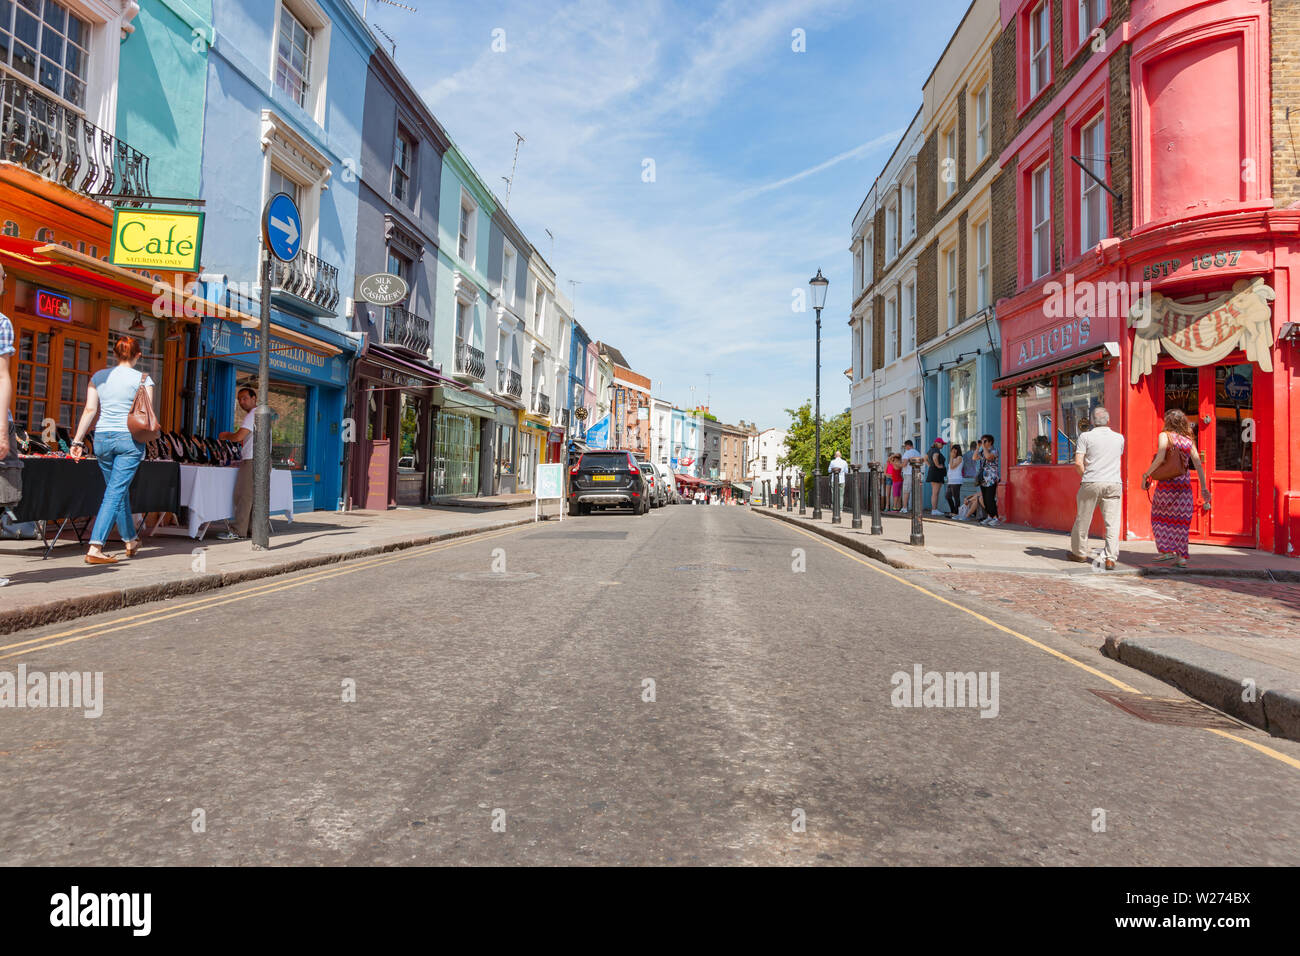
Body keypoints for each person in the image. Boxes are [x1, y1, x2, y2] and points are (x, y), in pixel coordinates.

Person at [69, 337, 154, 564]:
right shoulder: (143, 379)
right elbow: (146, 415)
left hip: (102, 438)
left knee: (118, 490)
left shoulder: (99, 377)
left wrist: (77, 441)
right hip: (129, 440)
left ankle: (130, 539)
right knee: (115, 492)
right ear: (138, 355)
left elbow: (89, 410)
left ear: (115, 354)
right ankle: (96, 546)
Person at [1142, 408, 1211, 569]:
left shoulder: (1165, 436)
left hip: (1167, 485)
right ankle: (1181, 558)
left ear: (1168, 422)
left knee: (1159, 517)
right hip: (1184, 486)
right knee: (1181, 521)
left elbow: (1160, 458)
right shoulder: (1188, 440)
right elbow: (1198, 464)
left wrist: (1147, 474)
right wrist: (1203, 487)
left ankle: (1166, 550)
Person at [1068, 406, 1125, 569]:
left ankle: (1079, 553)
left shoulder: (1085, 436)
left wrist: (1085, 476)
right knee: (1112, 522)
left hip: (1091, 480)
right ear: (1108, 421)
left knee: (1083, 519)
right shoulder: (1119, 438)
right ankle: (1110, 558)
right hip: (1114, 482)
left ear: (1092, 421)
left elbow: (1078, 462)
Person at [218, 386, 257, 539]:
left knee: (244, 496)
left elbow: (239, 436)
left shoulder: (253, 415)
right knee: (255, 498)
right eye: (239, 399)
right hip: (261, 459)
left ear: (254, 399)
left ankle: (237, 531)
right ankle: (253, 530)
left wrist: (226, 435)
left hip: (252, 459)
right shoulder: (262, 413)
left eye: (245, 398)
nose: (241, 402)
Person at [977, 434, 1000, 526]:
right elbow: (974, 457)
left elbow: (988, 457)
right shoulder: (982, 451)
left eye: (985, 441)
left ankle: (995, 517)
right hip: (983, 478)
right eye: (982, 441)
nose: (983, 443)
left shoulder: (994, 451)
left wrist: (983, 447)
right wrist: (977, 448)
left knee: (990, 499)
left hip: (991, 478)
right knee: (985, 499)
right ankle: (989, 516)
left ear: (990, 442)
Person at [899, 440, 923, 511]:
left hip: (908, 474)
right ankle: (916, 508)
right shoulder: (918, 453)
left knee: (906, 491)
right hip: (917, 474)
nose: (905, 448)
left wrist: (897, 465)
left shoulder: (907, 452)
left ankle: (905, 507)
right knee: (916, 491)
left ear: (907, 446)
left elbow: (904, 464)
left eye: (905, 446)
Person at [926, 437, 947, 516]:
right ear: (937, 443)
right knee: (935, 492)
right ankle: (934, 510)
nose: (942, 445)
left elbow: (925, 458)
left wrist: (930, 466)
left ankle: (935, 509)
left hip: (933, 472)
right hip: (936, 473)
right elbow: (935, 457)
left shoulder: (931, 450)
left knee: (935, 492)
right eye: (941, 444)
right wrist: (937, 465)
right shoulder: (936, 450)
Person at [945, 443, 965, 515]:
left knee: (956, 497)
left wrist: (951, 457)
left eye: (954, 450)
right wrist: (951, 457)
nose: (953, 452)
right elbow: (950, 467)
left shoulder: (959, 458)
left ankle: (956, 512)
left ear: (957, 450)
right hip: (951, 480)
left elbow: (952, 466)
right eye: (952, 450)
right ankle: (953, 510)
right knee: (948, 496)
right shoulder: (953, 458)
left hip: (956, 480)